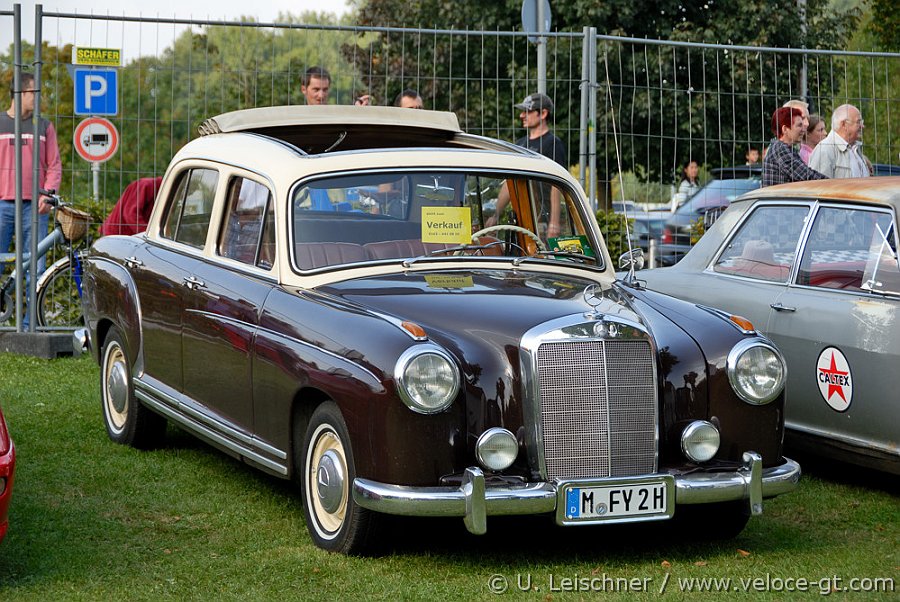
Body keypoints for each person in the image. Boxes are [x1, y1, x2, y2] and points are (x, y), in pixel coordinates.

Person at [0, 72, 62, 277]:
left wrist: (48, 195)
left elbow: (54, 165)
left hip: (36, 207)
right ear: (19, 92)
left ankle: (33, 302)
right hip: (1, 205)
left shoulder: (44, 126)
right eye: (34, 92)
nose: (38, 97)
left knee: (36, 269)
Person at [488, 93, 567, 237]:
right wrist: (496, 215)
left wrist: (554, 222)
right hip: (522, 220)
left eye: (527, 111)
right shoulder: (520, 144)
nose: (521, 115)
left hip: (544, 221)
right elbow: (510, 182)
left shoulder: (553, 144)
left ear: (543, 113)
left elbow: (557, 186)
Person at [762, 106, 827, 187]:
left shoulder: (783, 148)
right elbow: (807, 175)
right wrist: (832, 183)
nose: (804, 130)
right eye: (799, 125)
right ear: (785, 129)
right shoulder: (780, 150)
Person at [809, 104, 871, 179]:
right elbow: (818, 184)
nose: (862, 126)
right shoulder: (825, 150)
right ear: (844, 124)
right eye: (858, 122)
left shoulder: (854, 148)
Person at [301, 66, 372, 106]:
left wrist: (358, 111)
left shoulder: (337, 116)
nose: (321, 95)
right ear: (304, 89)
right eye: (316, 90)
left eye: (325, 90)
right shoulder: (296, 118)